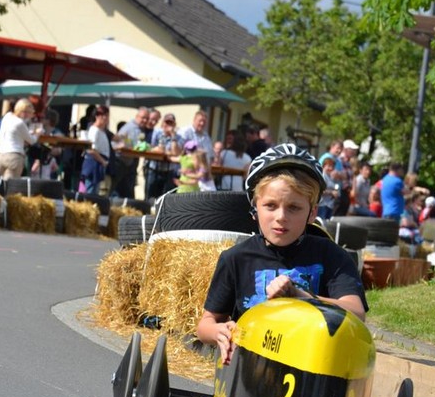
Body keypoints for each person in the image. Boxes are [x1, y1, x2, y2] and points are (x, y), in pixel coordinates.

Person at [195, 143, 368, 370]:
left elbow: (356, 312)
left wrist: (302, 297)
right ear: (255, 209)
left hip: (310, 369)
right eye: (270, 206)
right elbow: (206, 324)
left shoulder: (331, 255)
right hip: (248, 370)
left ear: (312, 212)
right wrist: (219, 331)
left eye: (294, 207)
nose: (281, 217)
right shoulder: (236, 258)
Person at [0, 97, 41, 180]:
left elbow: (15, 134)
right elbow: (32, 141)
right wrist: (38, 133)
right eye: (29, 113)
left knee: (3, 183)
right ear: (24, 112)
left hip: (0, 156)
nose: (30, 115)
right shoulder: (20, 123)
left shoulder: (7, 117)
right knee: (11, 186)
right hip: (14, 157)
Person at [146, 112, 183, 200]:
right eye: (167, 122)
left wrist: (173, 136)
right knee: (150, 196)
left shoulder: (178, 137)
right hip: (154, 168)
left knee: (165, 198)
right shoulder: (156, 133)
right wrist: (167, 152)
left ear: (174, 124)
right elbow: (150, 148)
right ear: (162, 123)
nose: (168, 125)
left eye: (171, 123)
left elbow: (176, 153)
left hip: (169, 171)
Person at [79, 104, 111, 194]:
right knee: (90, 191)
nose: (106, 119)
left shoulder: (101, 131)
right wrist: (102, 161)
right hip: (94, 163)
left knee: (95, 190)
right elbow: (90, 149)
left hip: (99, 162)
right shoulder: (94, 130)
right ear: (98, 116)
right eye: (104, 116)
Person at [317, 154, 339, 220]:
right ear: (324, 166)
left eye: (332, 166)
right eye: (329, 166)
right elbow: (320, 190)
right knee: (321, 223)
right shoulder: (323, 176)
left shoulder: (331, 177)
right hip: (322, 205)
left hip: (329, 205)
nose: (331, 168)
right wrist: (331, 193)